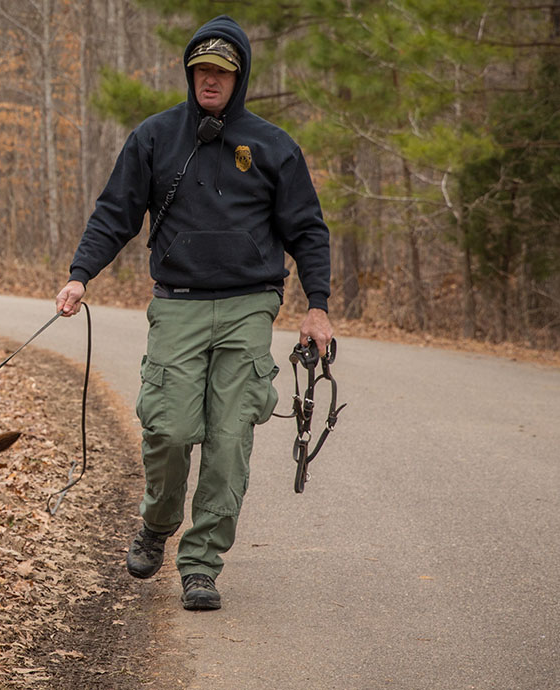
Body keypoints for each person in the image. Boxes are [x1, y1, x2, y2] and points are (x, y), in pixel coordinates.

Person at [55, 15, 333, 611]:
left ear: (240, 79)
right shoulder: (155, 137)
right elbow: (116, 212)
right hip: (177, 304)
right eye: (202, 69)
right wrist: (80, 276)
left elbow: (307, 230)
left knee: (230, 441)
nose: (211, 79)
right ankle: (157, 522)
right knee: (169, 429)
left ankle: (202, 564)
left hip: (248, 305)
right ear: (190, 74)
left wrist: (318, 307)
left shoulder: (273, 146)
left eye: (222, 72)